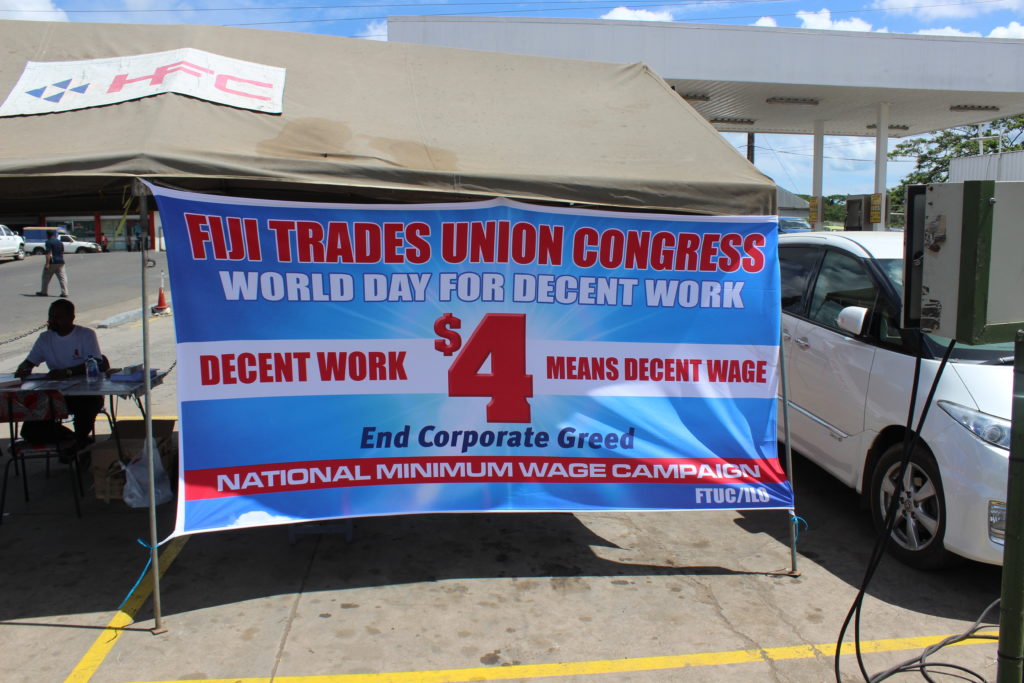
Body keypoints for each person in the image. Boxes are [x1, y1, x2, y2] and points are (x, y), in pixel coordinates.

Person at [14, 299, 109, 449]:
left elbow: (96, 362)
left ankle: (80, 440)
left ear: (71, 318)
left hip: (85, 393)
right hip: (55, 395)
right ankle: (71, 439)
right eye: (51, 317)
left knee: (85, 411)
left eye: (57, 317)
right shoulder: (45, 338)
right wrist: (24, 369)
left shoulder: (86, 335)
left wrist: (67, 372)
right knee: (29, 430)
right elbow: (29, 362)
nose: (52, 321)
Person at [37, 229, 68, 297]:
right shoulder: (59, 242)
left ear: (47, 235)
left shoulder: (48, 242)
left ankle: (44, 292)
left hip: (53, 262)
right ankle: (65, 293)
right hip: (61, 261)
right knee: (62, 278)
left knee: (46, 277)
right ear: (54, 234)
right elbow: (62, 251)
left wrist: (47, 264)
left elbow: (48, 253)